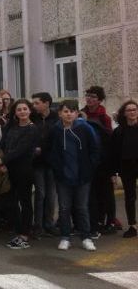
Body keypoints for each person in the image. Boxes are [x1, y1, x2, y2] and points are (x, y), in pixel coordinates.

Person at [47, 101, 99, 251]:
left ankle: (86, 237)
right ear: (60, 113)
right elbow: (49, 150)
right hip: (63, 176)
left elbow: (95, 149)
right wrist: (56, 167)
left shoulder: (85, 128)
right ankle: (65, 237)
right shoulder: (55, 130)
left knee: (82, 207)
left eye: (72, 111)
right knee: (64, 208)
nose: (68, 114)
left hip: (82, 175)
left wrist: (90, 167)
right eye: (65, 111)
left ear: (77, 113)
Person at [0, 99, 38, 250]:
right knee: (9, 201)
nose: (22, 112)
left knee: (25, 202)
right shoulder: (11, 126)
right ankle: (17, 230)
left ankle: (24, 235)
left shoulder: (32, 129)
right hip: (8, 170)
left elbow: (20, 150)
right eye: (19, 109)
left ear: (30, 111)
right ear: (15, 112)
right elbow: (2, 144)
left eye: (25, 109)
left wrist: (1, 161)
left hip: (24, 170)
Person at [83, 85, 118, 235]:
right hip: (87, 160)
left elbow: (109, 140)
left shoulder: (105, 117)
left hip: (104, 161)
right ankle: (95, 220)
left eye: (93, 97)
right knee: (92, 193)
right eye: (88, 95)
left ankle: (110, 221)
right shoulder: (81, 114)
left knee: (106, 192)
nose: (90, 99)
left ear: (100, 100)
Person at [31, 92, 60, 237]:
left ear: (47, 103)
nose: (34, 105)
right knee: (40, 193)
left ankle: (49, 223)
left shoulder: (56, 118)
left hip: (52, 162)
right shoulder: (33, 118)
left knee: (51, 194)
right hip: (37, 162)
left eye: (37, 103)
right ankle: (38, 225)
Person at [111, 100, 138, 238]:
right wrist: (114, 173)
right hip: (126, 167)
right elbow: (115, 153)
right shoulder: (119, 131)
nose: (132, 112)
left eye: (134, 109)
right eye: (129, 110)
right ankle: (132, 225)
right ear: (124, 113)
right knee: (130, 197)